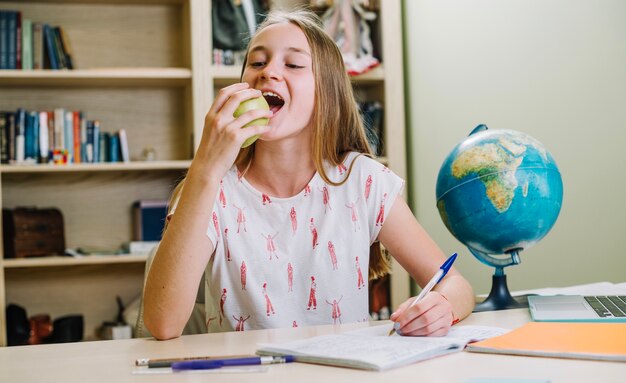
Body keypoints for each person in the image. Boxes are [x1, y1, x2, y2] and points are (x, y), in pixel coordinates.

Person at [143, 8, 475, 340]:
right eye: (257, 63)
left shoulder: (363, 181)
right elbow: (162, 324)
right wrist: (205, 168)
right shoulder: (211, 188)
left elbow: (456, 284)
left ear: (326, 94)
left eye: (293, 64)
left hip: (341, 381)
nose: (268, 72)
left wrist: (441, 306)